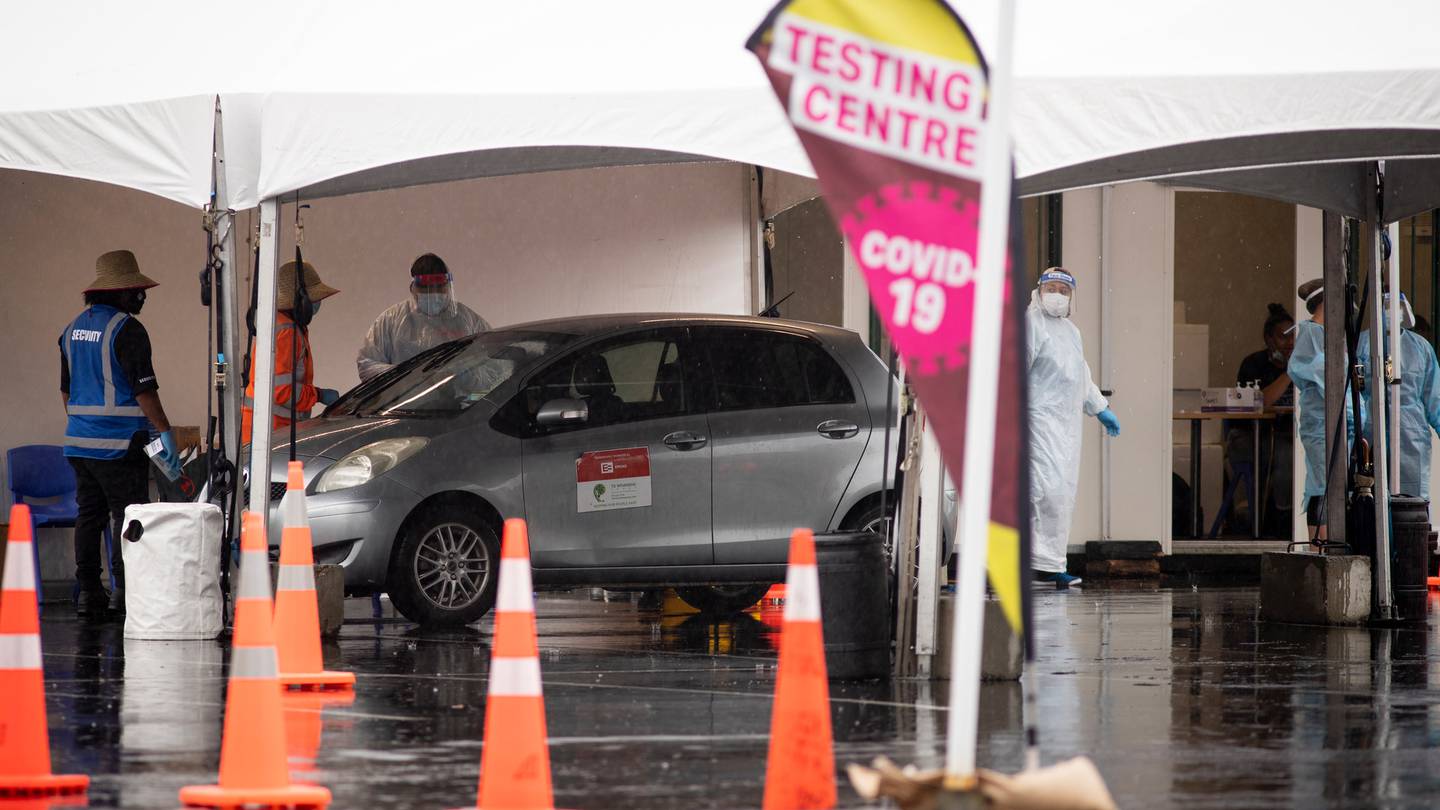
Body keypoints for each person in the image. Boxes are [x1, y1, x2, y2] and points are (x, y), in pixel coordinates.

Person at [59, 250, 180, 617]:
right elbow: (144, 391)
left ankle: (90, 593)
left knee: (88, 516)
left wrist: (87, 426)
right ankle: (125, 594)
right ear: (121, 292)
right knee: (125, 517)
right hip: (120, 444)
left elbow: (66, 391)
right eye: (137, 290)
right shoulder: (127, 329)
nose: (142, 296)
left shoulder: (71, 330)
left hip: (79, 444)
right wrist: (164, 430)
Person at [1027, 268, 1121, 587]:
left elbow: (1081, 375)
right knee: (1038, 492)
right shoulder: (1030, 325)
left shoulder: (1070, 332)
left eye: (1063, 290)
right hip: (1035, 423)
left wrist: (1101, 408)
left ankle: (1050, 565)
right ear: (1039, 291)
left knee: (1061, 495)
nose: (1057, 294)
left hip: (1065, 428)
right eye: (1051, 287)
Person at [241, 260, 341, 439]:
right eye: (314, 298)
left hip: (265, 429)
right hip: (271, 431)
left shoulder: (283, 325)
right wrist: (317, 394)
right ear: (300, 301)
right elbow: (282, 391)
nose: (317, 303)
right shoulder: (286, 331)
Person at [1357, 291, 1440, 497]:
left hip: (1410, 434)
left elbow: (1434, 397)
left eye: (1395, 307)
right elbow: (1353, 391)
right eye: (1384, 307)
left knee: (1413, 500)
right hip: (1371, 429)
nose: (1390, 313)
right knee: (1369, 496)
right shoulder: (1364, 343)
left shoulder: (1421, 347)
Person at [357, 254, 490, 381]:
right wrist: (406, 376)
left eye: (439, 288)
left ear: (448, 286)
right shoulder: (392, 320)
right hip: (408, 403)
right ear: (412, 287)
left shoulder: (466, 320)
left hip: (460, 402)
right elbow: (367, 364)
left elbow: (494, 360)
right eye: (426, 289)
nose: (433, 293)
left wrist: (470, 377)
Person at [1226, 304, 1296, 535]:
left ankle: (1284, 521)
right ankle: (1253, 522)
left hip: (1288, 435)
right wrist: (1289, 373)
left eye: (1293, 337)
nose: (1289, 344)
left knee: (1287, 458)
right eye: (1282, 338)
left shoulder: (1304, 364)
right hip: (1252, 434)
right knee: (1265, 457)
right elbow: (1260, 402)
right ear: (1268, 339)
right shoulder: (1253, 364)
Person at [1287, 279, 1334, 539]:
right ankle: (1321, 548)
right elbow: (1315, 372)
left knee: (1329, 486)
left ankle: (1329, 545)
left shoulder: (1327, 334)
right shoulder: (1312, 334)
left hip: (1333, 421)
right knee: (1322, 487)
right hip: (1320, 423)